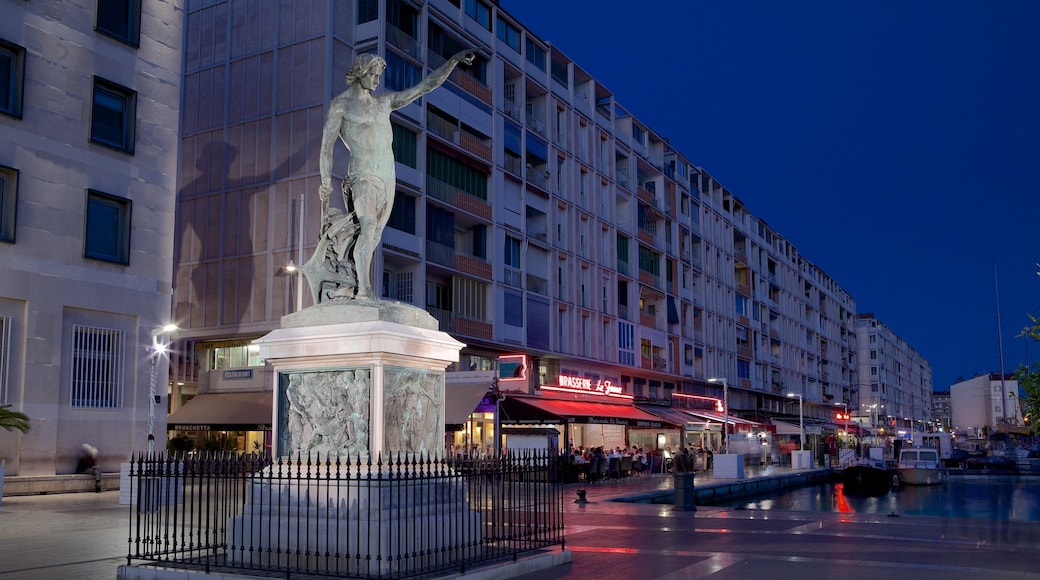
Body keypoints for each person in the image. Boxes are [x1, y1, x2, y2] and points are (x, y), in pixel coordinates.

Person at [316, 49, 476, 301]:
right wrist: (326, 179)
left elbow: (424, 87)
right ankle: (364, 290)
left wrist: (453, 61)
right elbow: (326, 147)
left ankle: (350, 281)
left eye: (379, 75)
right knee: (367, 226)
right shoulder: (340, 106)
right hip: (362, 174)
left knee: (373, 234)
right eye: (374, 75)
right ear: (360, 73)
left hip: (387, 176)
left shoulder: (384, 102)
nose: (378, 81)